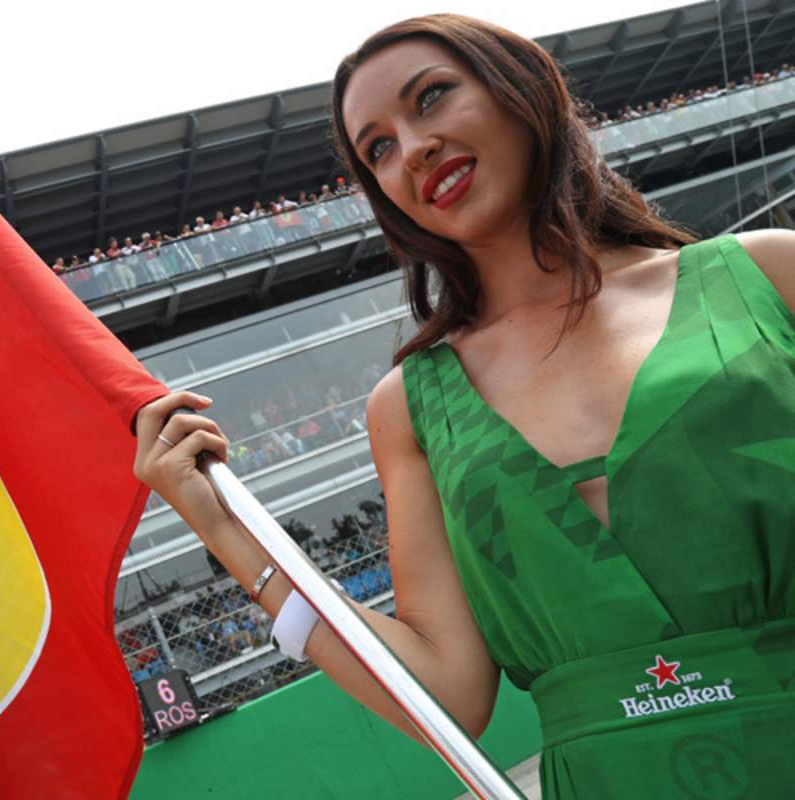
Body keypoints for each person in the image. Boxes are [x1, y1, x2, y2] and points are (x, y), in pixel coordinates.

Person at [132, 13, 795, 800]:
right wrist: (221, 528)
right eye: (378, 148)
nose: (413, 148)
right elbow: (447, 697)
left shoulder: (769, 276)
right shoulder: (411, 408)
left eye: (432, 97)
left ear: (524, 90)